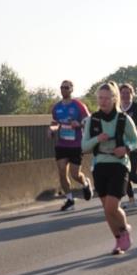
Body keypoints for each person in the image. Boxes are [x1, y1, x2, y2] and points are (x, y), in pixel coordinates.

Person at [81, 82, 137, 255]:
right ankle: (118, 240)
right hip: (100, 165)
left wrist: (126, 148)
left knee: (111, 206)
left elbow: (136, 141)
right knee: (106, 207)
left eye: (107, 98)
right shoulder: (93, 120)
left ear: (114, 98)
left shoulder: (123, 119)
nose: (103, 101)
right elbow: (84, 146)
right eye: (100, 98)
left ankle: (124, 230)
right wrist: (97, 139)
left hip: (119, 165)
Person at [49, 80, 93, 212]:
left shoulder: (79, 105)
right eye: (62, 87)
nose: (63, 90)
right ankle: (69, 199)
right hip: (62, 144)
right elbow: (55, 122)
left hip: (76, 144)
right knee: (62, 172)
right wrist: (52, 129)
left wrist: (79, 124)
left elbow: (88, 121)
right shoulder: (56, 107)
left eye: (66, 87)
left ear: (71, 89)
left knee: (75, 174)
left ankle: (85, 183)